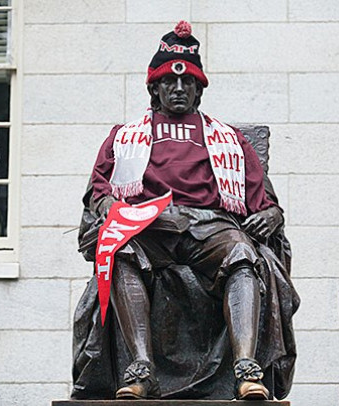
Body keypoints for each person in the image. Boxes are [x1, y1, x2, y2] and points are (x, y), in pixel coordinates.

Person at [72, 21, 299, 401]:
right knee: (120, 251)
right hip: (149, 227)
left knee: (243, 253)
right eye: (169, 83)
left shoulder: (228, 138)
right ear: (154, 89)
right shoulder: (124, 135)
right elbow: (99, 187)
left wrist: (274, 214)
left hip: (210, 226)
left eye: (188, 83)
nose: (178, 89)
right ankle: (141, 370)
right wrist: (108, 202)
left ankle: (246, 370)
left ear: (198, 89)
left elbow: (262, 198)